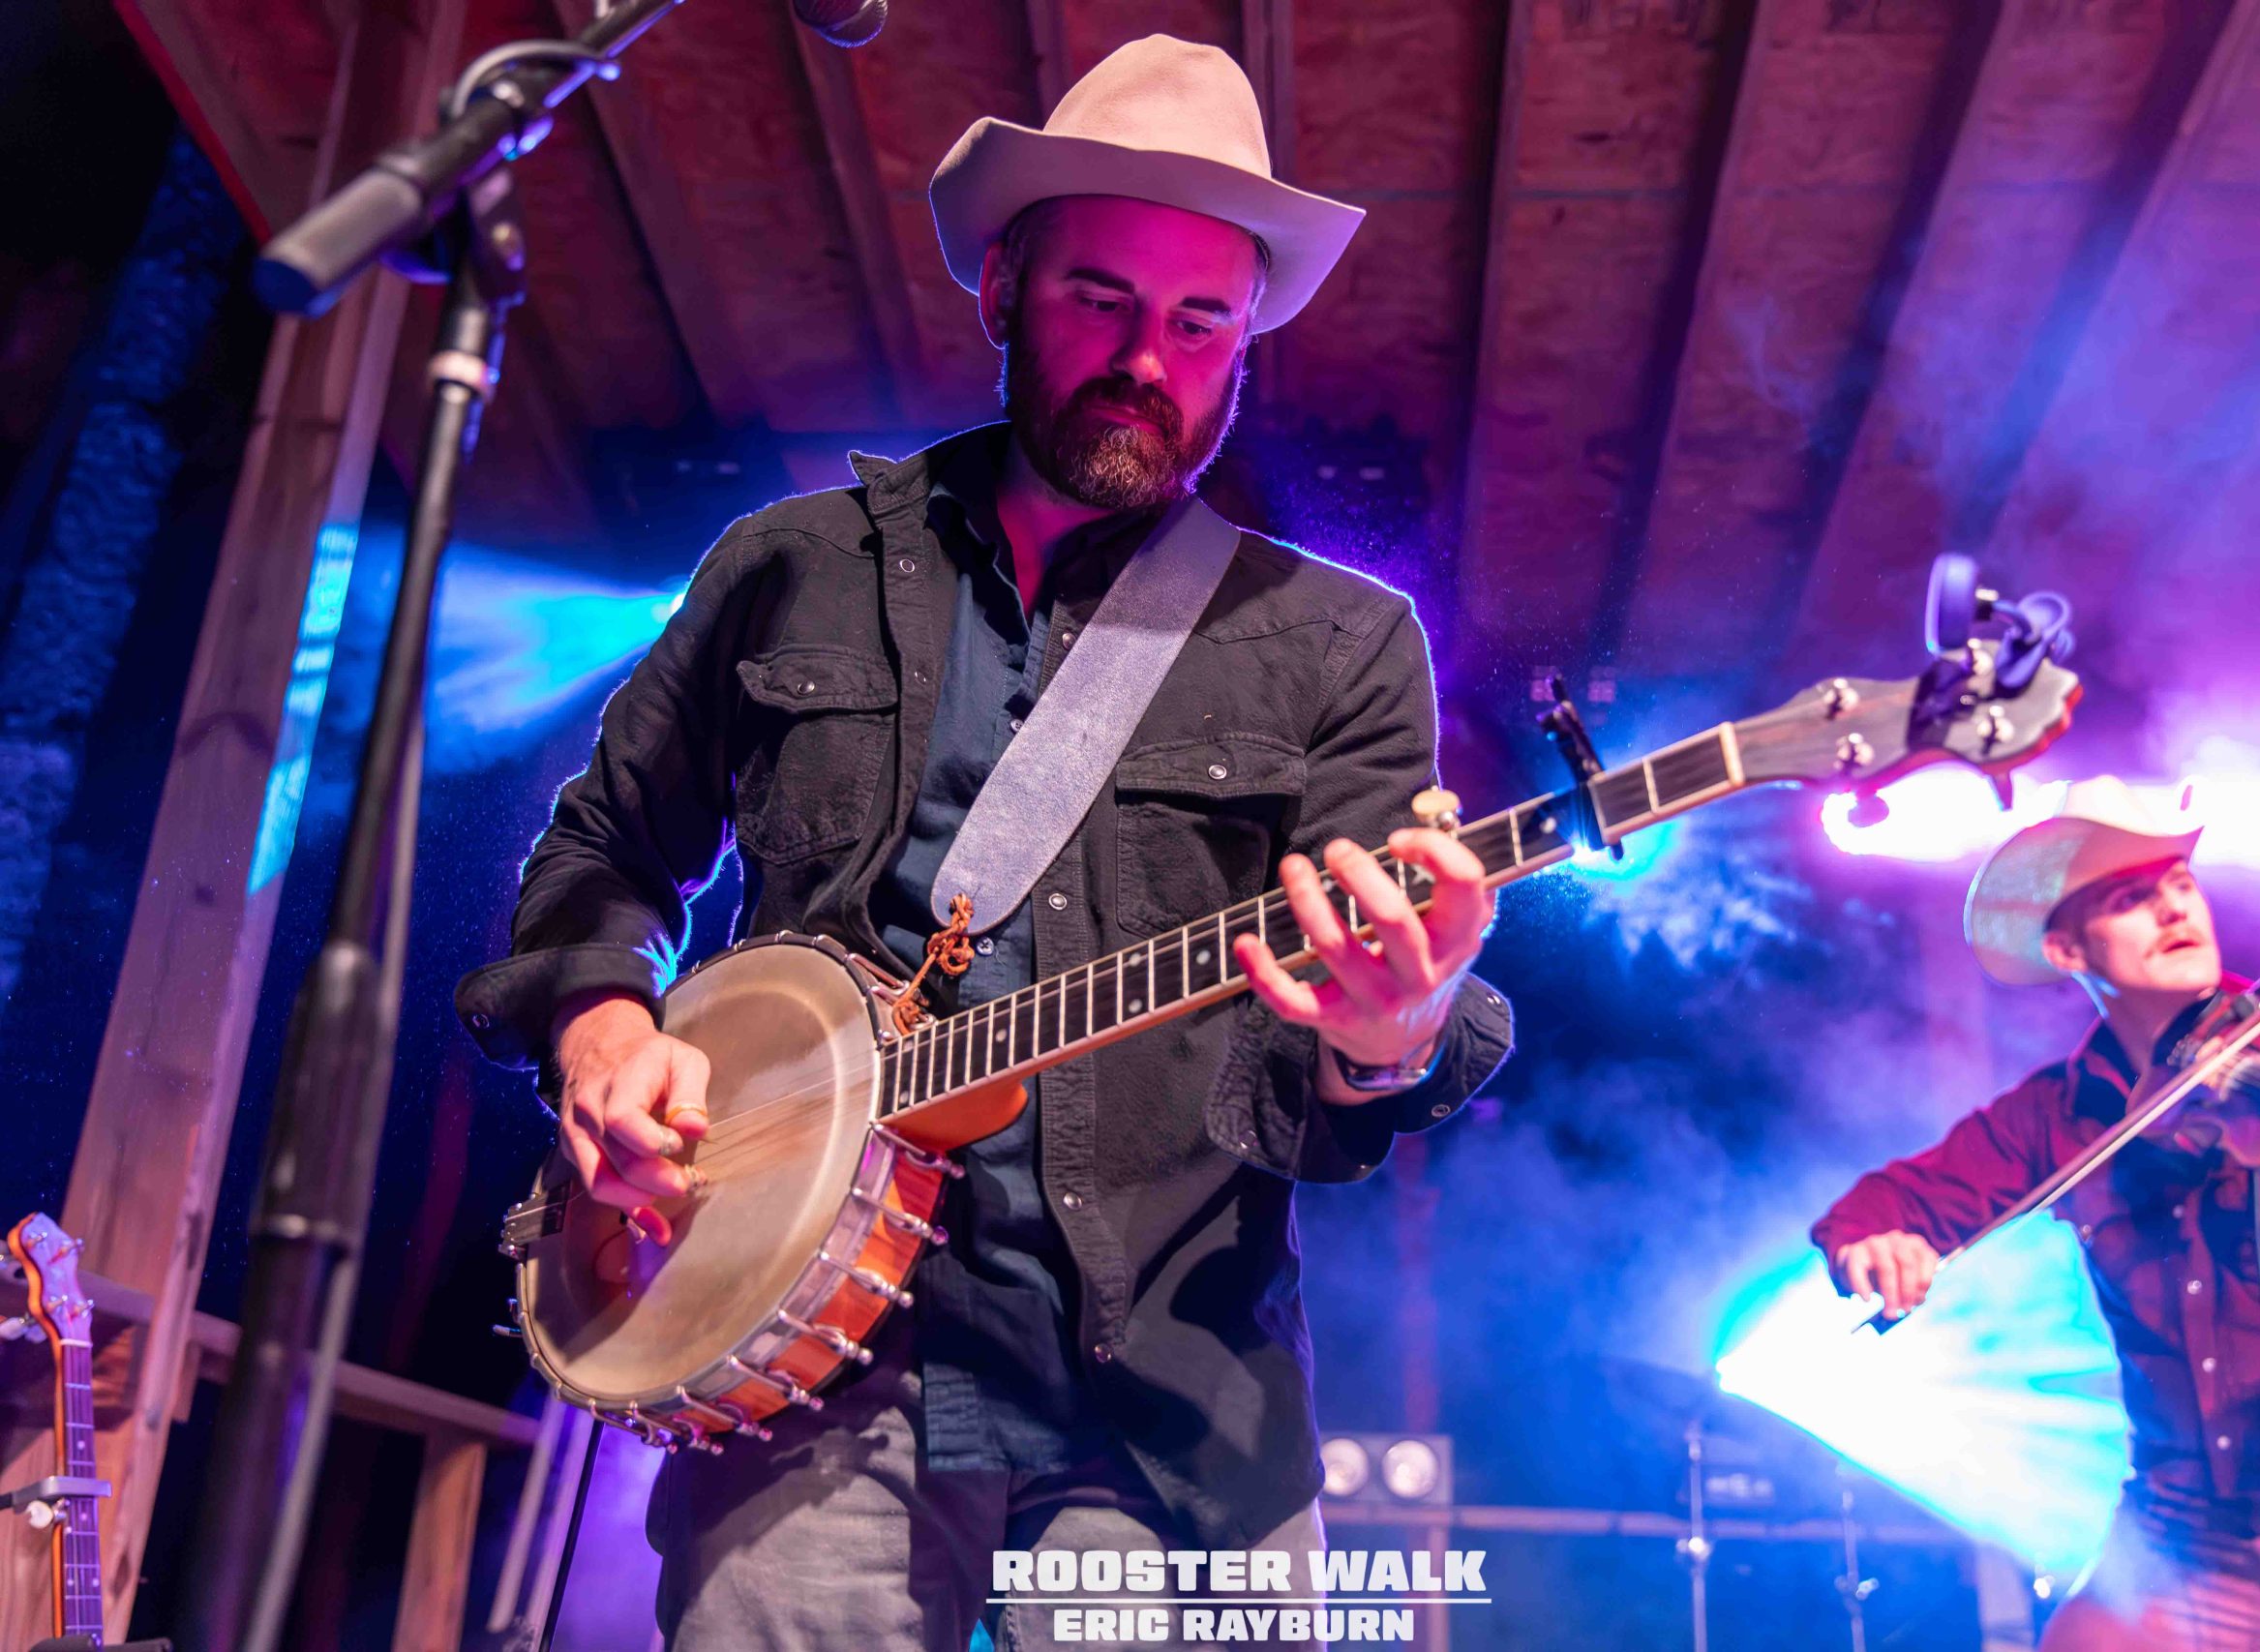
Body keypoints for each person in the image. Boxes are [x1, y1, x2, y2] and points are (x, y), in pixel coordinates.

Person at [452, 36, 1514, 1652]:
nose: (1146, 359)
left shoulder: (1338, 644)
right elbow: (602, 848)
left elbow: (1336, 1084)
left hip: (1164, 1407)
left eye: (1199, 322)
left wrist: (1391, 1031)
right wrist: (603, 1024)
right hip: (811, 1373)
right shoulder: (789, 566)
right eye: (1101, 298)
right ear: (1003, 286)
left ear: (1243, 349)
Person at [1811, 776, 2260, 1651]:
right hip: (2177, 1539)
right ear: (2068, 948)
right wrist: (1878, 1244)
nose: (2172, 909)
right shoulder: (2059, 1114)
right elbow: (1879, 1207)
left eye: (2179, 885)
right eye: (2131, 899)